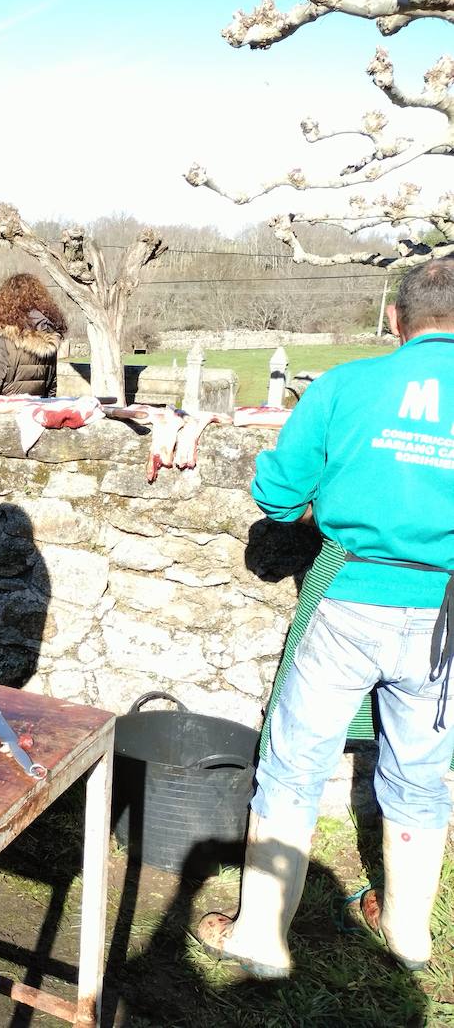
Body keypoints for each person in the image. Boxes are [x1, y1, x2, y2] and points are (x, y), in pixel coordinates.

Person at [194, 256, 454, 978]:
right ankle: (407, 933)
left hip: (350, 598)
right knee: (422, 774)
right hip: (444, 616)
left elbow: (277, 492)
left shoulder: (347, 384)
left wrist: (320, 506)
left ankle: (262, 938)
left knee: (296, 761)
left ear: (396, 321)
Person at [0, 272, 65, 397]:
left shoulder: (4, 341)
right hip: (32, 412)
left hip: (5, 412)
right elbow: (51, 390)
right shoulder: (49, 340)